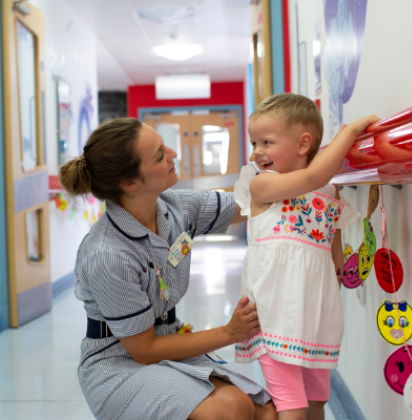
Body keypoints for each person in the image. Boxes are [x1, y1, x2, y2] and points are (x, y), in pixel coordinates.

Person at [59, 118, 276, 420]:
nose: (173, 153)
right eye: (160, 155)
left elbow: (248, 204)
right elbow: (144, 350)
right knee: (232, 409)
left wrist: (312, 172)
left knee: (267, 412)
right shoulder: (107, 253)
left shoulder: (172, 207)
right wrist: (229, 332)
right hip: (118, 364)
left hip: (167, 343)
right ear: (130, 183)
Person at [234, 93, 379, 420]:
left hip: (313, 316)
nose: (257, 151)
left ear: (303, 144)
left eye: (266, 142)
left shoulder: (329, 192)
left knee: (316, 400)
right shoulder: (262, 185)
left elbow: (333, 239)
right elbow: (314, 177)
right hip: (273, 313)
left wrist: (338, 263)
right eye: (254, 141)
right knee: (293, 407)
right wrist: (350, 131)